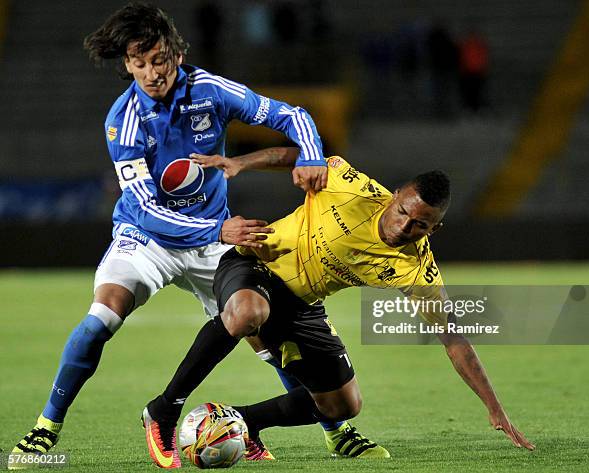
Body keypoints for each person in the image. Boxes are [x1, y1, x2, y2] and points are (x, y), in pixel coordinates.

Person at [10, 3, 377, 468]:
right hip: (147, 238)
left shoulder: (210, 90)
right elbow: (146, 208)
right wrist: (218, 227)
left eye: (158, 59)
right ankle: (46, 427)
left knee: (267, 330)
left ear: (176, 54)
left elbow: (293, 115)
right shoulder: (123, 121)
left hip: (211, 241)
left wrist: (311, 155)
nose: (151, 73)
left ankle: (335, 430)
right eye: (138, 63)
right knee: (103, 317)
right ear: (126, 64)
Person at [145, 147, 535, 465]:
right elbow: (298, 156)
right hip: (254, 264)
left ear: (435, 229)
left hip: (303, 306)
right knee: (249, 313)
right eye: (403, 212)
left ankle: (244, 423)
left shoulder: (415, 268)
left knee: (342, 405)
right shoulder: (350, 187)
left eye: (421, 225)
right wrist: (241, 163)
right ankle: (163, 409)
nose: (404, 227)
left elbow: (453, 339)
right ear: (395, 195)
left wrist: (494, 408)